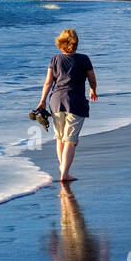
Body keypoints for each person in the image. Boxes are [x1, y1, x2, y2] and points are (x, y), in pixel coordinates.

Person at [34, 28, 98, 183]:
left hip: (55, 101)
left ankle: (63, 168)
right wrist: (93, 90)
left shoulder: (55, 59)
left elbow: (48, 82)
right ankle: (65, 174)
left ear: (60, 43)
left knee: (60, 138)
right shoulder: (84, 59)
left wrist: (42, 101)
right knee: (70, 139)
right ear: (76, 43)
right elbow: (92, 78)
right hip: (75, 102)